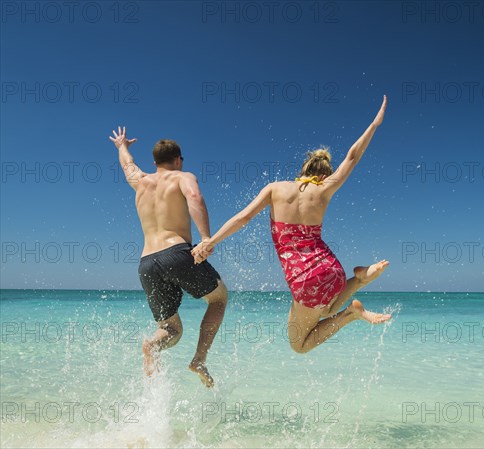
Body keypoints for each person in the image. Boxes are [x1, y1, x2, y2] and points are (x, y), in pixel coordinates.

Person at [192, 96, 391, 354]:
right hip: (331, 268)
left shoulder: (275, 189)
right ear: (324, 175)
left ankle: (352, 313)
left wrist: (211, 241)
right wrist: (374, 125)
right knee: (327, 308)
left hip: (305, 278)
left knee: (300, 344)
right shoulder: (325, 190)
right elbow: (352, 158)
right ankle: (359, 279)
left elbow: (242, 218)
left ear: (305, 168)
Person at [109, 127, 227, 388]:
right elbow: (195, 197)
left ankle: (152, 348)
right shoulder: (182, 176)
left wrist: (121, 146)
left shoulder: (140, 181)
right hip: (176, 252)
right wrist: (206, 238)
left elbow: (128, 165)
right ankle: (199, 360)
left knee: (171, 329)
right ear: (178, 159)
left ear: (154, 163)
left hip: (147, 263)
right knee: (218, 299)